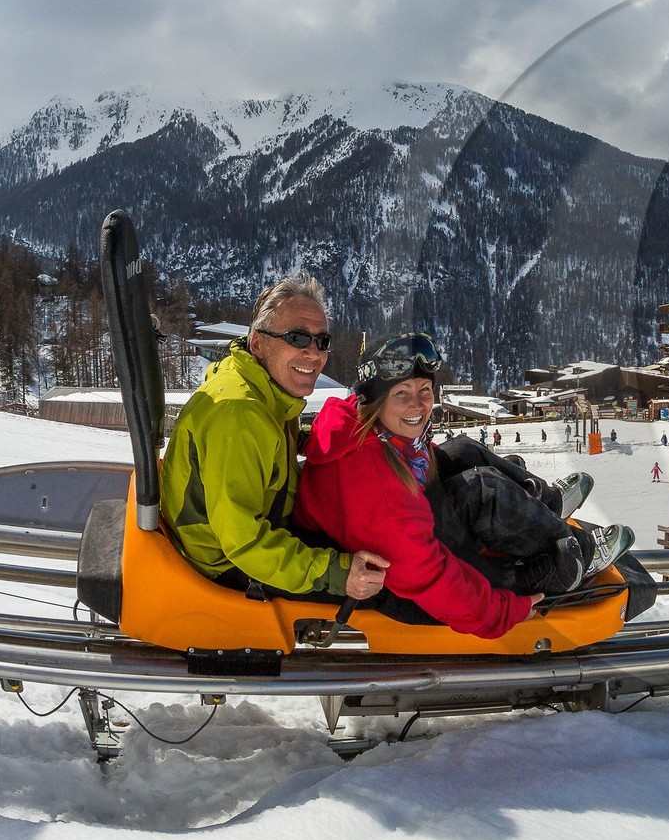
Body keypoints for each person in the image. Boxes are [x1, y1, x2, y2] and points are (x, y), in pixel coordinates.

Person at [295, 333, 635, 639]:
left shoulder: (365, 427)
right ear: (375, 401)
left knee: (461, 450)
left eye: (424, 390)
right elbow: (433, 579)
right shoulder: (376, 487)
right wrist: (504, 611)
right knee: (484, 491)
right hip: (397, 589)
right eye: (401, 393)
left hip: (388, 545)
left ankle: (546, 505)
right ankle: (573, 559)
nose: (417, 404)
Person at [159, 273, 388, 602]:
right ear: (257, 342)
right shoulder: (239, 413)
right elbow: (244, 541)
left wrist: (335, 437)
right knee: (391, 586)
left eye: (321, 341)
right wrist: (337, 573)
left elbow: (269, 446)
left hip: (259, 530)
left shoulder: (261, 387)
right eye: (297, 338)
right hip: (230, 562)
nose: (314, 354)